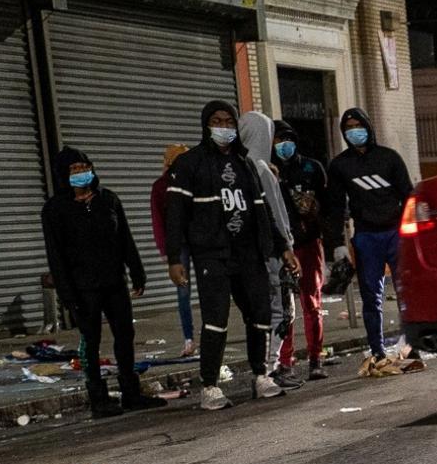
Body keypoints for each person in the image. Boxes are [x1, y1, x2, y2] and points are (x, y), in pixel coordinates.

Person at [165, 100, 291, 410]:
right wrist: (174, 258)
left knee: (261, 314)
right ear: (206, 125)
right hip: (212, 255)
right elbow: (175, 215)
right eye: (217, 121)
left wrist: (283, 248)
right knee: (216, 320)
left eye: (229, 122)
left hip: (249, 253)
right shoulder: (189, 164)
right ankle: (210, 385)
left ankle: (261, 375)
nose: (224, 127)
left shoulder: (245, 164)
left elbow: (264, 211)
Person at [41, 148, 164, 418]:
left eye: (84, 167)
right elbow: (56, 257)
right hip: (83, 287)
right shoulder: (54, 210)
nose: (80, 173)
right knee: (91, 340)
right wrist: (67, 294)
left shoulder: (108, 200)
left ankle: (131, 392)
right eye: (74, 169)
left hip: (113, 281)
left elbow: (125, 239)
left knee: (124, 336)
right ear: (63, 174)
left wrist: (137, 270)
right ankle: (98, 397)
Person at [324, 107, 423, 377]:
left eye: (358, 125)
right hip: (366, 236)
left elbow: (408, 196)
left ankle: (412, 345)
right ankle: (377, 350)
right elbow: (334, 207)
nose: (354, 131)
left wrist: (410, 232)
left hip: (394, 233)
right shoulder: (340, 166)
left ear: (368, 126)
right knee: (371, 296)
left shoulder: (388, 158)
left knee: (406, 292)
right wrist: (336, 244)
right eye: (349, 127)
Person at [237, 111, 302, 392]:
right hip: (273, 253)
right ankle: (270, 367)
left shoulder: (240, 167)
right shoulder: (261, 169)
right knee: (281, 310)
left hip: (251, 253)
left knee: (262, 311)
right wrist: (286, 246)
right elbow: (275, 213)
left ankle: (266, 367)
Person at [273, 119, 330, 382]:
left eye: (288, 139)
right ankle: (285, 361)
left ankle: (316, 358)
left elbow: (327, 203)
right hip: (283, 247)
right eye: (278, 140)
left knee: (311, 302)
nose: (283, 145)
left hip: (308, 243)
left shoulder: (311, 167)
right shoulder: (267, 171)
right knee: (286, 307)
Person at [149, 144, 195, 359]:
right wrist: (166, 251)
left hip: (200, 240)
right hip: (178, 246)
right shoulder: (161, 187)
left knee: (209, 288)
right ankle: (189, 337)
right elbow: (158, 220)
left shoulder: (195, 181)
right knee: (183, 291)